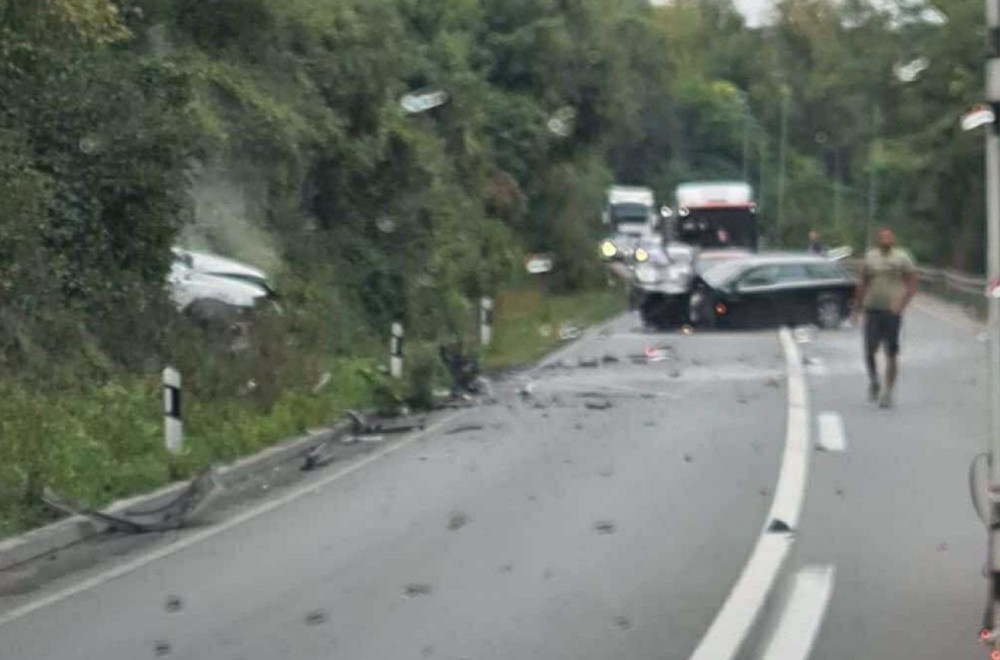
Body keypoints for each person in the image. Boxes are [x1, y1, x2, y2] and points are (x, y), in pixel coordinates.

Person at [851, 228, 918, 408]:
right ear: (878, 240)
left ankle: (888, 392)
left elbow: (912, 283)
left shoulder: (902, 258)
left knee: (891, 352)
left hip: (892, 311)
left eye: (889, 237)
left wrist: (901, 304)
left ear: (893, 239)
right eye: (883, 237)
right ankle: (874, 380)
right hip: (872, 309)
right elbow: (862, 283)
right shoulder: (870, 257)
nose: (886, 240)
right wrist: (856, 309)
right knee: (869, 350)